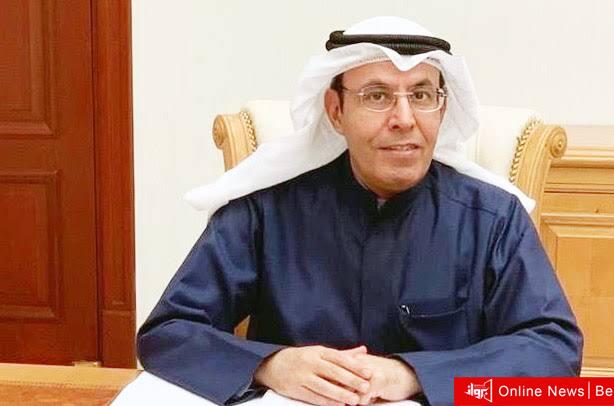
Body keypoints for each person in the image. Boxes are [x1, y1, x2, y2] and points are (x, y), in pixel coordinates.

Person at [137, 16, 583, 406]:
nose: (404, 118)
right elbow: (167, 333)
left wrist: (413, 375)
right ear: (336, 110)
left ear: (442, 107)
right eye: (377, 96)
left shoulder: (493, 218)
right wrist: (271, 364)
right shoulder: (266, 209)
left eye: (421, 95)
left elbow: (553, 350)